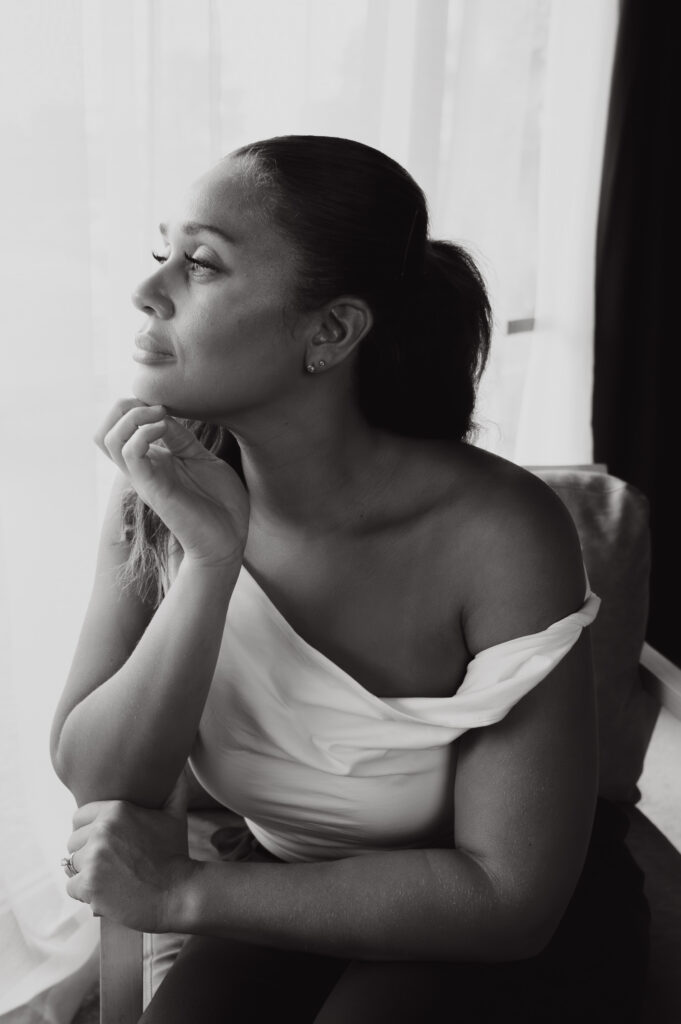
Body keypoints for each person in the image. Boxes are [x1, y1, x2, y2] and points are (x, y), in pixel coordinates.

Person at [50, 135, 648, 1022]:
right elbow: (100, 780)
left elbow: (507, 898)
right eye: (160, 251)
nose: (147, 287)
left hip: (490, 916)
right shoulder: (163, 488)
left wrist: (181, 893)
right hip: (289, 886)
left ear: (330, 332)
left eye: (200, 263)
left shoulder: (499, 531)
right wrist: (210, 564)